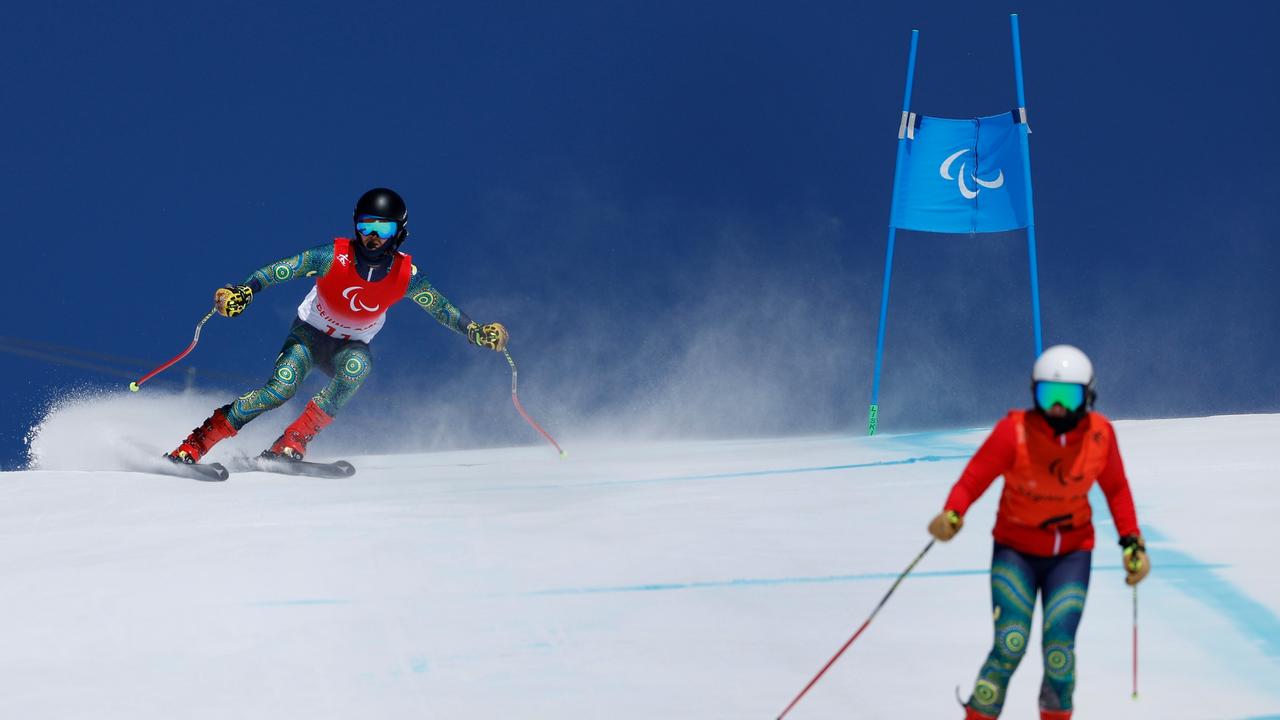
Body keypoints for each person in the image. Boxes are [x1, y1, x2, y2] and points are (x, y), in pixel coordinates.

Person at [167, 187, 509, 464]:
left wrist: (475, 331)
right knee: (280, 391)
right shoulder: (332, 256)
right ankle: (194, 445)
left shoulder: (407, 276)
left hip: (349, 346)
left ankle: (292, 441)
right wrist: (242, 290)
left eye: (383, 228)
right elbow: (278, 269)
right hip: (308, 335)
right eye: (365, 226)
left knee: (359, 366)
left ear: (399, 233)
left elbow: (441, 309)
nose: (373, 236)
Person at [926, 344, 1150, 720]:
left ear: (1088, 396)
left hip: (1072, 554)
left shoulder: (1100, 436)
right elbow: (974, 478)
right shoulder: (1014, 432)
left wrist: (1132, 543)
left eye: (1068, 396)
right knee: (1010, 644)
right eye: (1049, 396)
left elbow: (1116, 489)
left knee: (1060, 651)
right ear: (1034, 393)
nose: (1057, 407)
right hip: (1016, 550)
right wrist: (952, 513)